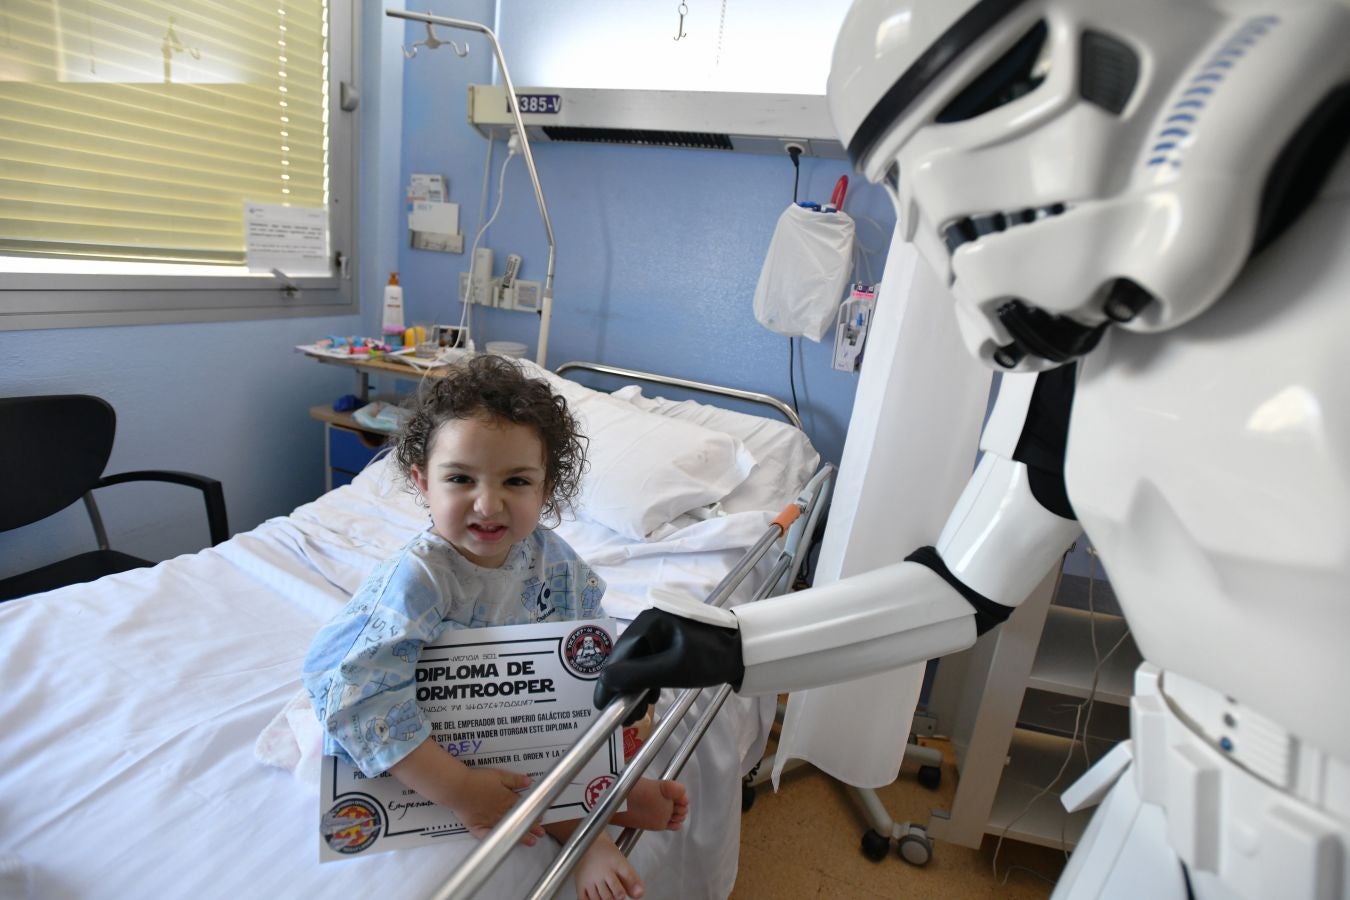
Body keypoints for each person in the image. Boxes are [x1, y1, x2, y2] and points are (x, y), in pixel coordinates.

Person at [594, 2, 1350, 898]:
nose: (925, 218)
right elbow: (959, 588)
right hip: (1161, 819)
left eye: (946, 131)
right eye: (898, 179)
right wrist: (730, 642)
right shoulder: (1077, 367)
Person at [304, 353, 687, 900]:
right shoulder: (419, 579)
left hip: (507, 716)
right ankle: (583, 829)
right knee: (437, 759)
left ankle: (599, 796)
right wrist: (458, 788)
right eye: (460, 478)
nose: (489, 504)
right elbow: (354, 695)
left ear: (546, 489)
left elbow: (580, 649)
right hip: (424, 730)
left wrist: (622, 701)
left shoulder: (552, 559)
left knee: (584, 724)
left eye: (516, 480)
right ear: (422, 482)